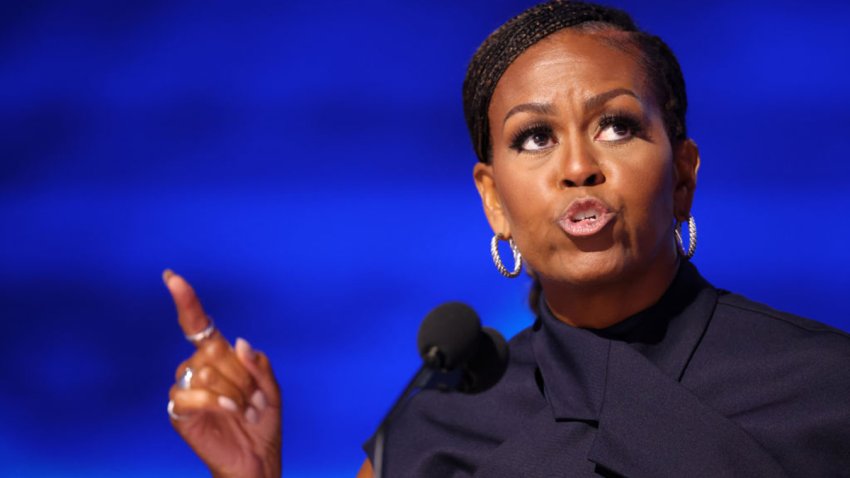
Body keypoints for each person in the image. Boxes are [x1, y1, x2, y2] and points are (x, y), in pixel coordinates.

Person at [164, 1, 850, 476]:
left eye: (616, 125)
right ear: (494, 202)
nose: (579, 166)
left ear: (683, 175)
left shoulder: (823, 387)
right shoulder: (438, 421)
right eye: (535, 137)